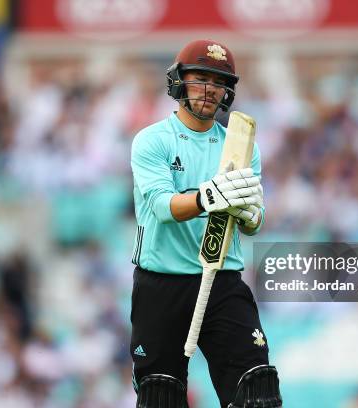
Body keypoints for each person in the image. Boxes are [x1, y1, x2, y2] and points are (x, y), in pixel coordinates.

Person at [130, 39, 282, 407]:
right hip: (161, 283)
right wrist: (209, 196)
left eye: (219, 82)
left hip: (223, 282)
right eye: (200, 79)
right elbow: (164, 207)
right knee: (160, 396)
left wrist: (249, 214)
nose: (210, 89)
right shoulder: (152, 141)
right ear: (178, 81)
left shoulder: (241, 146)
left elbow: (253, 223)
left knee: (256, 391)